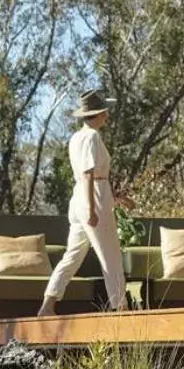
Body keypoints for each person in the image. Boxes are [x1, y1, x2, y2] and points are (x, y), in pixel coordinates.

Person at [40, 90, 128, 316]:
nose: (107, 115)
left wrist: (117, 199)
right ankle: (121, 308)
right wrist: (92, 208)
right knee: (111, 254)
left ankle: (48, 303)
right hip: (91, 196)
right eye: (105, 112)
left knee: (73, 254)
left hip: (81, 195)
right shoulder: (91, 137)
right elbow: (89, 173)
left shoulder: (76, 138)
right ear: (99, 114)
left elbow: (89, 176)